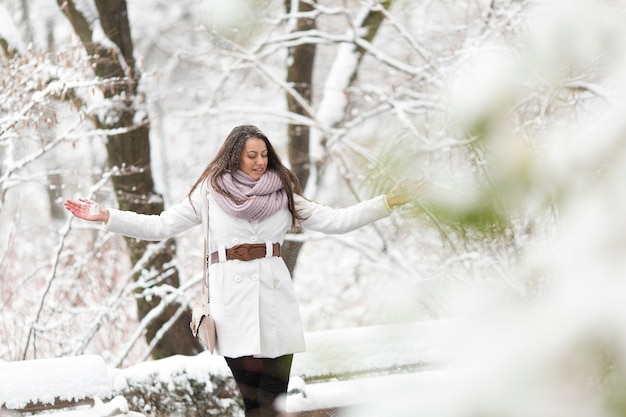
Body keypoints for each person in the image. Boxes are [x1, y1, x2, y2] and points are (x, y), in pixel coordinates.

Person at [64, 124, 426, 417]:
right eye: (251, 155)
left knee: (274, 403)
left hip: (275, 307)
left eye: (264, 155)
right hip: (233, 310)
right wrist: (106, 215)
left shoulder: (283, 194)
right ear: (235, 156)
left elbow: (335, 219)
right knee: (255, 405)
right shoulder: (208, 194)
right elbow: (160, 226)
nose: (258, 161)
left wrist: (387, 201)